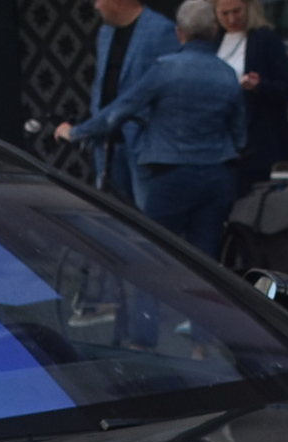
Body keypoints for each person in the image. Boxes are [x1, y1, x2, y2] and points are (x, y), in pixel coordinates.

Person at [59, 0, 246, 254]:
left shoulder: (166, 69)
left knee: (155, 251)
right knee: (206, 257)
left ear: (180, 33)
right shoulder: (226, 74)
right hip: (217, 174)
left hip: (171, 171)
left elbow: (121, 110)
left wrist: (76, 132)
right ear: (215, 31)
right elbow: (239, 133)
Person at [75, 0, 175, 201]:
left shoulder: (161, 30)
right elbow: (101, 81)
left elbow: (169, 85)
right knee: (112, 212)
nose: (96, 7)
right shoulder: (105, 33)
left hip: (143, 142)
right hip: (108, 141)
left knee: (146, 215)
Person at [214, 0, 288, 189]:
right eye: (225, 14)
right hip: (223, 135)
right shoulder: (214, 40)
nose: (231, 19)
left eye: (237, 12)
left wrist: (259, 86)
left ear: (249, 9)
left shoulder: (265, 39)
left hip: (258, 136)